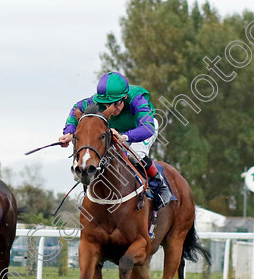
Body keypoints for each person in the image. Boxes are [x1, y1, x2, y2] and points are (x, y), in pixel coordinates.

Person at [58, 71, 172, 210]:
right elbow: (76, 110)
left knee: (134, 153)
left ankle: (159, 184)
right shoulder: (94, 101)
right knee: (101, 156)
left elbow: (147, 128)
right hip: (113, 130)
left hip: (141, 128)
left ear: (125, 96)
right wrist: (69, 132)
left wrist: (124, 137)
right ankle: (92, 196)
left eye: (116, 104)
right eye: (106, 105)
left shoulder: (137, 99)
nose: (111, 109)